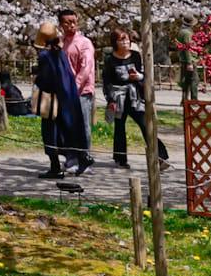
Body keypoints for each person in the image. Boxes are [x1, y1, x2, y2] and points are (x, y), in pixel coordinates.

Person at [102, 28, 168, 169]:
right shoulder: (110, 59)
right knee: (119, 128)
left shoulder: (135, 56)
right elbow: (106, 81)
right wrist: (110, 100)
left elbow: (143, 74)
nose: (125, 42)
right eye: (121, 40)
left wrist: (138, 77)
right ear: (115, 42)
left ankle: (161, 157)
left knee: (145, 125)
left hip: (134, 96)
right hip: (118, 96)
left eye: (127, 39)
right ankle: (120, 159)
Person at [33, 21, 90, 177]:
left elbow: (46, 80)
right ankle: (81, 156)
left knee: (50, 133)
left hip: (52, 100)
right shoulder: (60, 53)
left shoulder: (45, 56)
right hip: (68, 97)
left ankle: (55, 167)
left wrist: (37, 79)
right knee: (68, 131)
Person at [57, 9, 95, 156]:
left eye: (74, 21)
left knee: (83, 125)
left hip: (82, 91)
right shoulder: (61, 43)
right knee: (67, 125)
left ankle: (85, 157)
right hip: (65, 91)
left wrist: (75, 86)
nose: (71, 25)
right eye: (67, 22)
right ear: (61, 24)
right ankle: (71, 156)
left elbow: (87, 67)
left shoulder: (84, 43)